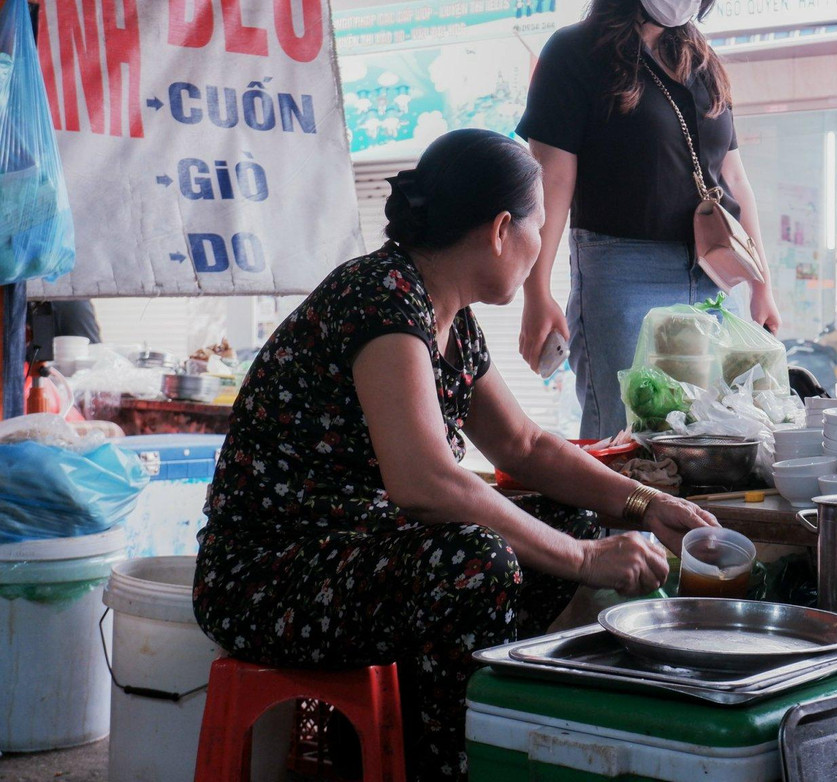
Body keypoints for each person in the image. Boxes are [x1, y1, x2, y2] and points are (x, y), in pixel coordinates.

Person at [192, 130, 716, 780]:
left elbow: (525, 445)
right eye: (538, 232)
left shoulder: (451, 322)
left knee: (561, 525)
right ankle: (448, 765)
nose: (535, 257)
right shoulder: (380, 298)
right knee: (479, 560)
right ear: (502, 230)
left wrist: (645, 505)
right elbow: (424, 482)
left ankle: (421, 739)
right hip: (266, 581)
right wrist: (585, 560)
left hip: (357, 560)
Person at [515, 0, 781, 438]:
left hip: (713, 278)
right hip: (622, 273)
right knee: (625, 437)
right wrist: (537, 291)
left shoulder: (699, 59)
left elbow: (733, 177)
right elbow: (553, 183)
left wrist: (762, 284)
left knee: (709, 436)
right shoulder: (573, 51)